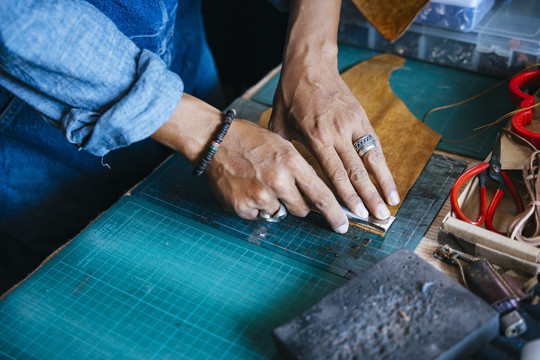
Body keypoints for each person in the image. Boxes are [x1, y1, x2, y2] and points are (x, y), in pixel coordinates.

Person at [0, 0, 399, 293]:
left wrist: (312, 51)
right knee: (82, 290)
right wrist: (209, 135)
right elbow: (18, 17)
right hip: (44, 110)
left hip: (174, 36)